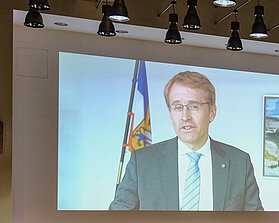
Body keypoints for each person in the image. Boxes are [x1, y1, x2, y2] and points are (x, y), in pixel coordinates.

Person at [109, 71, 263, 211]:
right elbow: (116, 222)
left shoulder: (239, 162)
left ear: (212, 112)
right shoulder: (142, 162)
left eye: (194, 106)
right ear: (170, 114)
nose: (185, 116)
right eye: (177, 107)